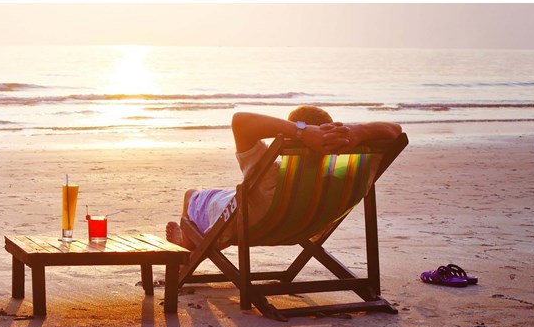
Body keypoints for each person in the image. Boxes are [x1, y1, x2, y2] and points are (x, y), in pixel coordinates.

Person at [166, 106, 403, 250]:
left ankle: (186, 245)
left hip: (249, 222)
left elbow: (240, 120)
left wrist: (299, 130)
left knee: (192, 195)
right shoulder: (347, 176)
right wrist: (357, 132)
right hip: (306, 224)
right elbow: (395, 130)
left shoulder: (270, 178)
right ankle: (203, 239)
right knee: (234, 195)